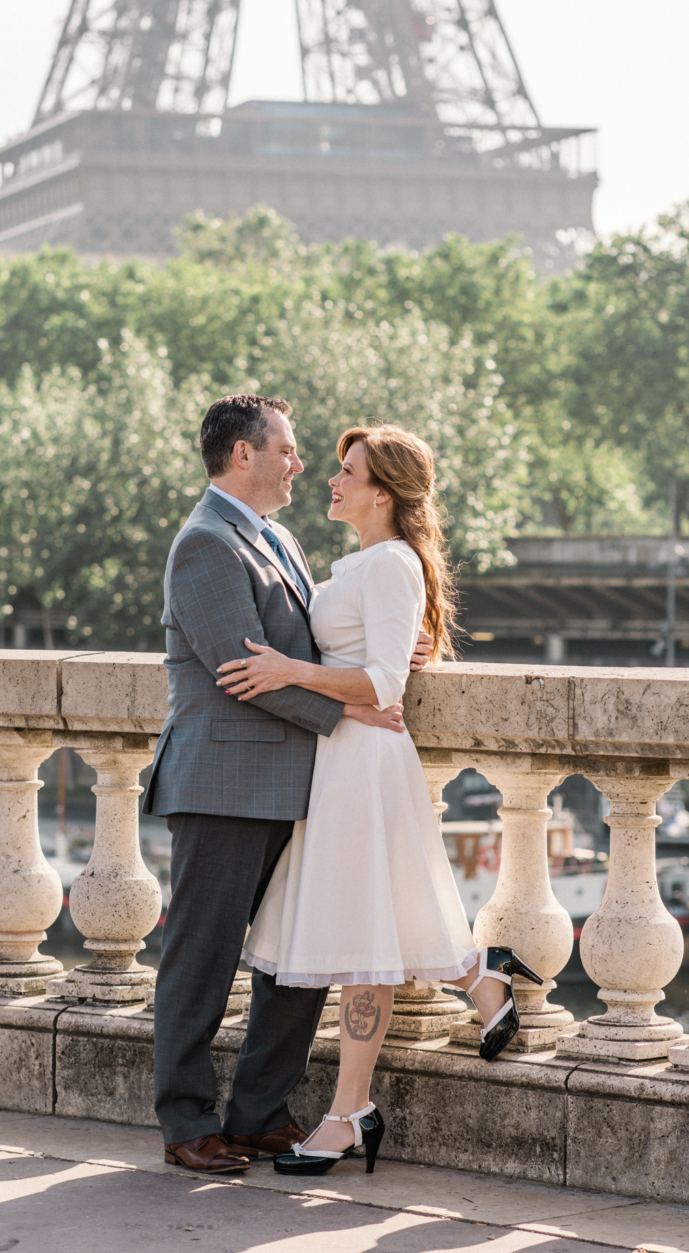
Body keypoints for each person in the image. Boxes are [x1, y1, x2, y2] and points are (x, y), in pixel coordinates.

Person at [217, 424, 541, 1177]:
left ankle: (348, 1113)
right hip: (339, 760)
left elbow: (385, 686)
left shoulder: (392, 563)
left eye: (347, 471)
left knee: (364, 937)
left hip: (362, 763)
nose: (331, 480)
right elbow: (372, 658)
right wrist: (314, 670)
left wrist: (290, 672)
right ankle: (478, 976)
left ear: (383, 493)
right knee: (370, 920)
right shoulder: (363, 564)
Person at [143, 395, 427, 1176]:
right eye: (289, 450)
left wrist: (392, 657)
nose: (300, 464)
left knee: (292, 957)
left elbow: (313, 645)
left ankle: (261, 1111)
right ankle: (187, 1122)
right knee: (201, 956)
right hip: (224, 783)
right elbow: (244, 673)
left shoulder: (280, 540)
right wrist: (354, 712)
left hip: (300, 784)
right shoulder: (205, 543)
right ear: (244, 455)